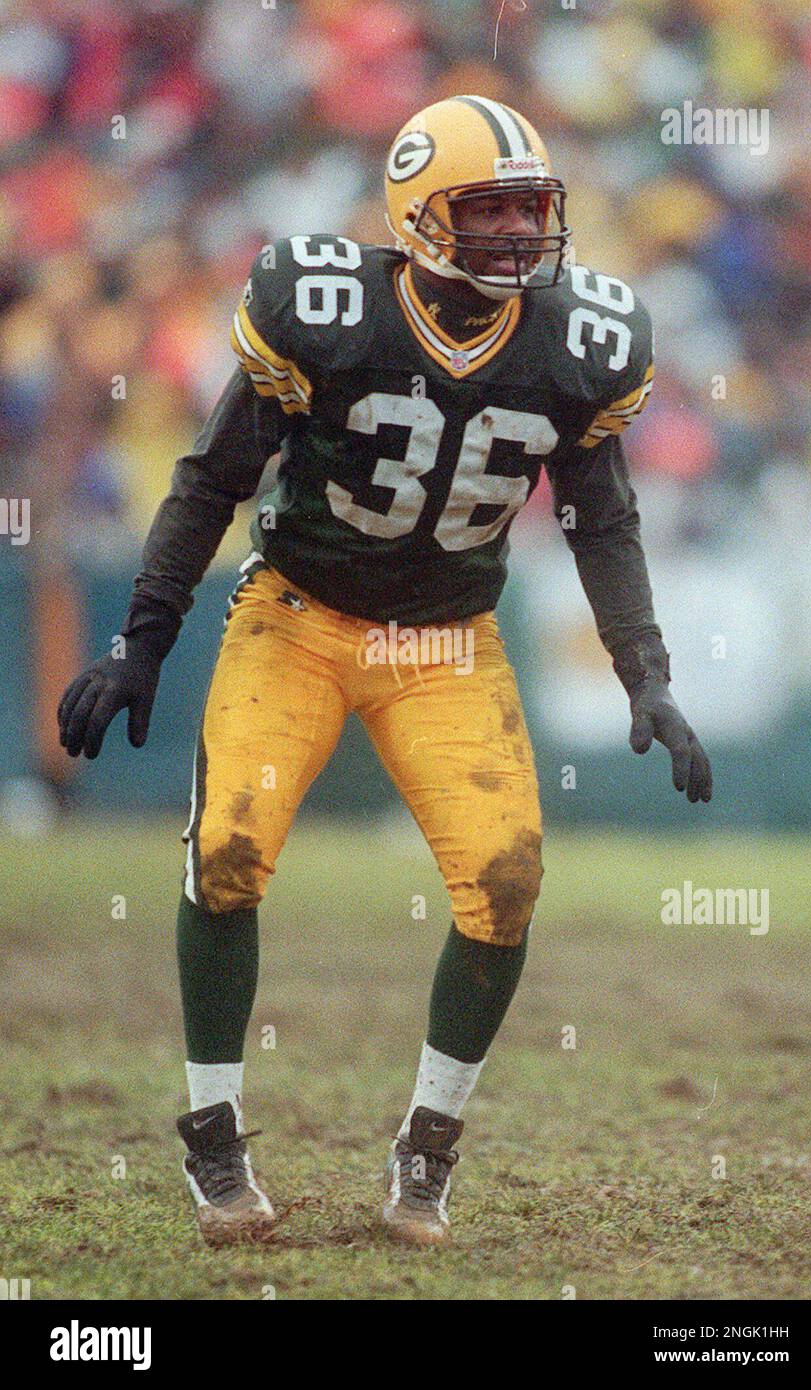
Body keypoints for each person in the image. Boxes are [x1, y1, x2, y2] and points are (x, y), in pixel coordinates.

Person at [58, 96, 712, 1248]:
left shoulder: (580, 341)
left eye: (531, 207)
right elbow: (212, 478)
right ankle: (212, 1126)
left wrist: (644, 672)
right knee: (228, 854)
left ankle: (427, 1143)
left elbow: (600, 521)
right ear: (419, 216)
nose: (517, 232)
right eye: (488, 208)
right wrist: (142, 637)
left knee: (504, 883)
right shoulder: (326, 311)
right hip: (296, 618)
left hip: (447, 644)